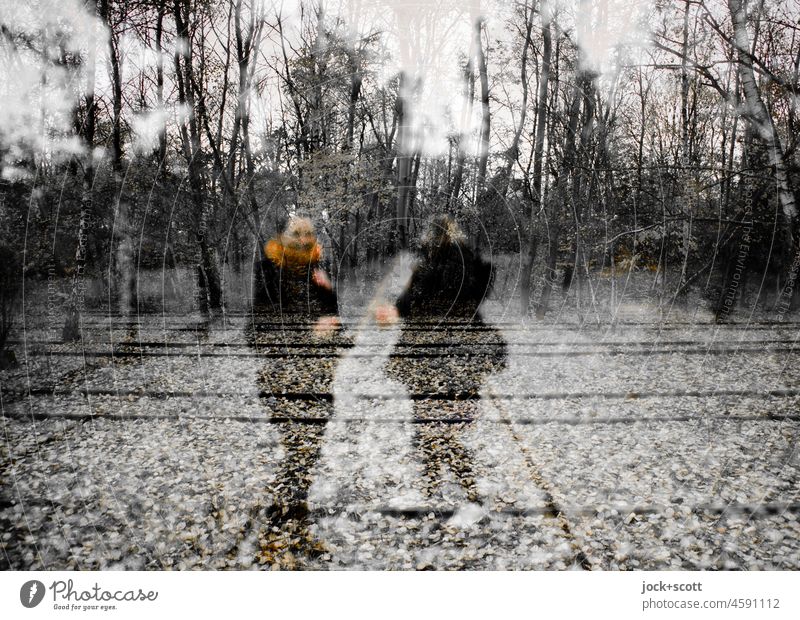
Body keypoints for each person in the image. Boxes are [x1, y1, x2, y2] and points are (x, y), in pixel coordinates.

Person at [382, 216, 507, 502]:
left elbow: (427, 299)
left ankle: (453, 488)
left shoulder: (456, 265)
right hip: (436, 355)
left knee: (439, 429)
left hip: (448, 354)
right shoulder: (443, 262)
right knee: (435, 428)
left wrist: (403, 304)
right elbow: (410, 301)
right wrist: (395, 309)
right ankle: (441, 488)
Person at [248, 216, 343, 567]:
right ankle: (281, 517)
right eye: (296, 233)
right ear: (284, 237)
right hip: (281, 377)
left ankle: (290, 514)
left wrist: (329, 308)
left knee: (309, 448)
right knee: (296, 446)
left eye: (308, 234)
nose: (303, 240)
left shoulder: (320, 271)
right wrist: (307, 331)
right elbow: (256, 329)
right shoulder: (268, 271)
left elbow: (336, 324)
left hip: (318, 377)